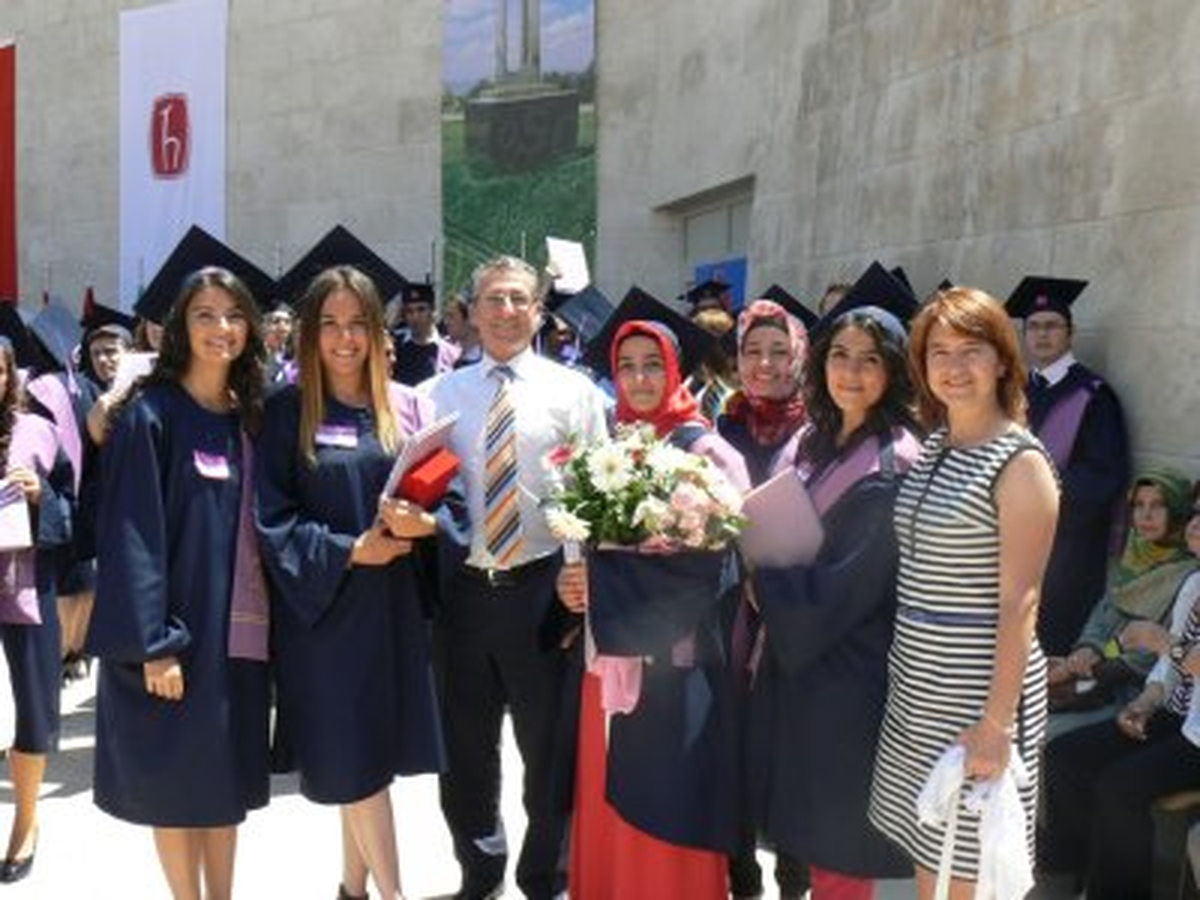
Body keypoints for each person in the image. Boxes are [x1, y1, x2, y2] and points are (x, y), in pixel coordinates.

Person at [256, 266, 449, 900]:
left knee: (362, 763)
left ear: (376, 330)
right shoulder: (286, 413)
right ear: (310, 333)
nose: (344, 339)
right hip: (324, 615)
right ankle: (393, 894)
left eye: (357, 324)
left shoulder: (399, 407)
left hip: (390, 610)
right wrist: (348, 551)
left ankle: (352, 888)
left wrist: (424, 524)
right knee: (358, 763)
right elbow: (272, 519)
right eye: (330, 324)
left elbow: (447, 498)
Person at [423, 255, 608, 900]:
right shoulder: (436, 398)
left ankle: (545, 874)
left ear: (539, 311)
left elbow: (595, 497)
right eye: (492, 300)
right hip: (463, 594)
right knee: (467, 750)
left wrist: (582, 581)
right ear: (470, 312)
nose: (505, 312)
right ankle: (480, 870)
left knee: (549, 749)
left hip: (544, 591)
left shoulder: (576, 393)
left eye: (518, 300)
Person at [868, 286, 1060, 899]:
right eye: (938, 352)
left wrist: (995, 724)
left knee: (969, 869)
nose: (953, 367)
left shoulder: (1021, 463)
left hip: (977, 693)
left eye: (970, 351)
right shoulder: (936, 446)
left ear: (1003, 359)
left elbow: (1020, 602)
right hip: (920, 684)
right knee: (934, 854)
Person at [87, 267, 272, 900]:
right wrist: (154, 644)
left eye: (233, 315)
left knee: (222, 784)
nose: (221, 328)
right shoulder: (152, 416)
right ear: (178, 328)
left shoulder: (250, 417)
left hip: (239, 636)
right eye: (204, 315)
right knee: (176, 781)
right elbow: (132, 537)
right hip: (177, 636)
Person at [565, 317, 749, 900]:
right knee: (609, 787)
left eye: (652, 365)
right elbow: (581, 541)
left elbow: (730, 557)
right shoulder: (605, 450)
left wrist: (627, 586)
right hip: (612, 663)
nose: (639, 379)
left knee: (671, 797)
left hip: (679, 661)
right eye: (626, 366)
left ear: (675, 371)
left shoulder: (706, 450)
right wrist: (572, 581)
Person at [747, 303, 922, 899]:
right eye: (840, 356)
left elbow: (854, 581)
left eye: (870, 360)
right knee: (811, 827)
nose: (851, 372)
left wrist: (761, 584)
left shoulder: (896, 460)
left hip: (853, 673)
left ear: (894, 372)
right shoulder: (818, 441)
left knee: (843, 839)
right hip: (807, 662)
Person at [1039, 490, 1200, 899]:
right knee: (1065, 756)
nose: (1196, 524)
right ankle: (1065, 873)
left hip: (1197, 739)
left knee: (1119, 787)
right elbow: (1169, 669)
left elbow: (1168, 652)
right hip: (1177, 717)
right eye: (1196, 513)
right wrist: (1144, 705)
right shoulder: (1194, 583)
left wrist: (1163, 642)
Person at [716, 298, 811, 900]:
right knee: (732, 748)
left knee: (790, 751)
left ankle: (793, 879)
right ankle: (741, 878)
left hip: (797, 616)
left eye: (780, 351)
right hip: (727, 614)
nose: (766, 364)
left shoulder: (821, 433)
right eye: (753, 351)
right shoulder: (720, 428)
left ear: (800, 357)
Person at [1006, 276, 1131, 656]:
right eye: (1034, 327)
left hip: (1068, 548)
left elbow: (1104, 476)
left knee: (1047, 647)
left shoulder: (1092, 395)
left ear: (1070, 333)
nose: (1042, 335)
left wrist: (1039, 497)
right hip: (1010, 540)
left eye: (1052, 326)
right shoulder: (1017, 393)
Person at [1045, 469, 1196, 738]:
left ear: (1178, 512)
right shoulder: (1133, 558)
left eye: (1158, 506)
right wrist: (1086, 651)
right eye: (1138, 505)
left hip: (1134, 688)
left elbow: (1146, 654)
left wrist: (1086, 668)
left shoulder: (1185, 575)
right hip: (1099, 669)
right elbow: (1103, 621)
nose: (1145, 516)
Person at [0, 335, 73, 884]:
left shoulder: (39, 431)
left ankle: (25, 822)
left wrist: (39, 497)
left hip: (23, 591)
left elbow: (76, 507)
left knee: (30, 713)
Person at [390, 282, 459, 386]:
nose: (415, 316)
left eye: (421, 309)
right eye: (409, 311)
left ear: (432, 311)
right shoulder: (394, 347)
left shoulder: (451, 353)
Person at [442, 292, 481, 368]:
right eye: (445, 316)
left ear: (469, 318)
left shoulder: (488, 359)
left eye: (451, 316)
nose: (446, 322)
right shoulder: (456, 361)